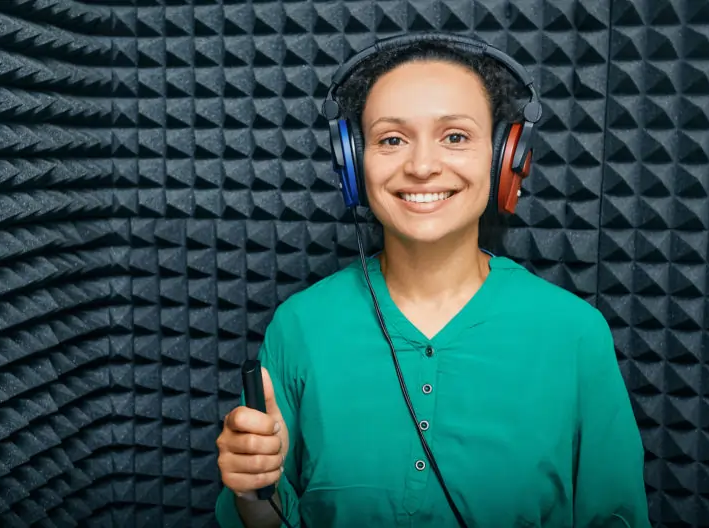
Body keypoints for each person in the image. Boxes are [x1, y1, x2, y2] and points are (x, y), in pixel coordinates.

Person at [214, 33, 650, 528]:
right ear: (354, 164)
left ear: (505, 160)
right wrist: (253, 492)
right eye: (392, 139)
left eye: (456, 136)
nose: (421, 166)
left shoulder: (574, 333)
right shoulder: (301, 326)